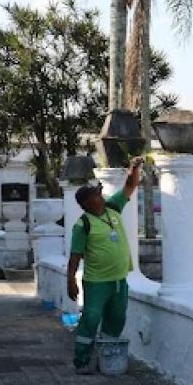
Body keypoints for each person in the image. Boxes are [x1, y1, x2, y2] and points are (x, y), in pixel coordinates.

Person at [66, 158, 142, 373]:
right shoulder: (83, 225)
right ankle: (81, 361)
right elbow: (75, 256)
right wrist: (70, 280)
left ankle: (107, 358)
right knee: (91, 319)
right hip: (96, 282)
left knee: (117, 319)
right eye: (96, 196)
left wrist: (134, 168)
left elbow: (130, 185)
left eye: (99, 194)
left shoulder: (113, 207)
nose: (100, 197)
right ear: (87, 203)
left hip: (119, 280)